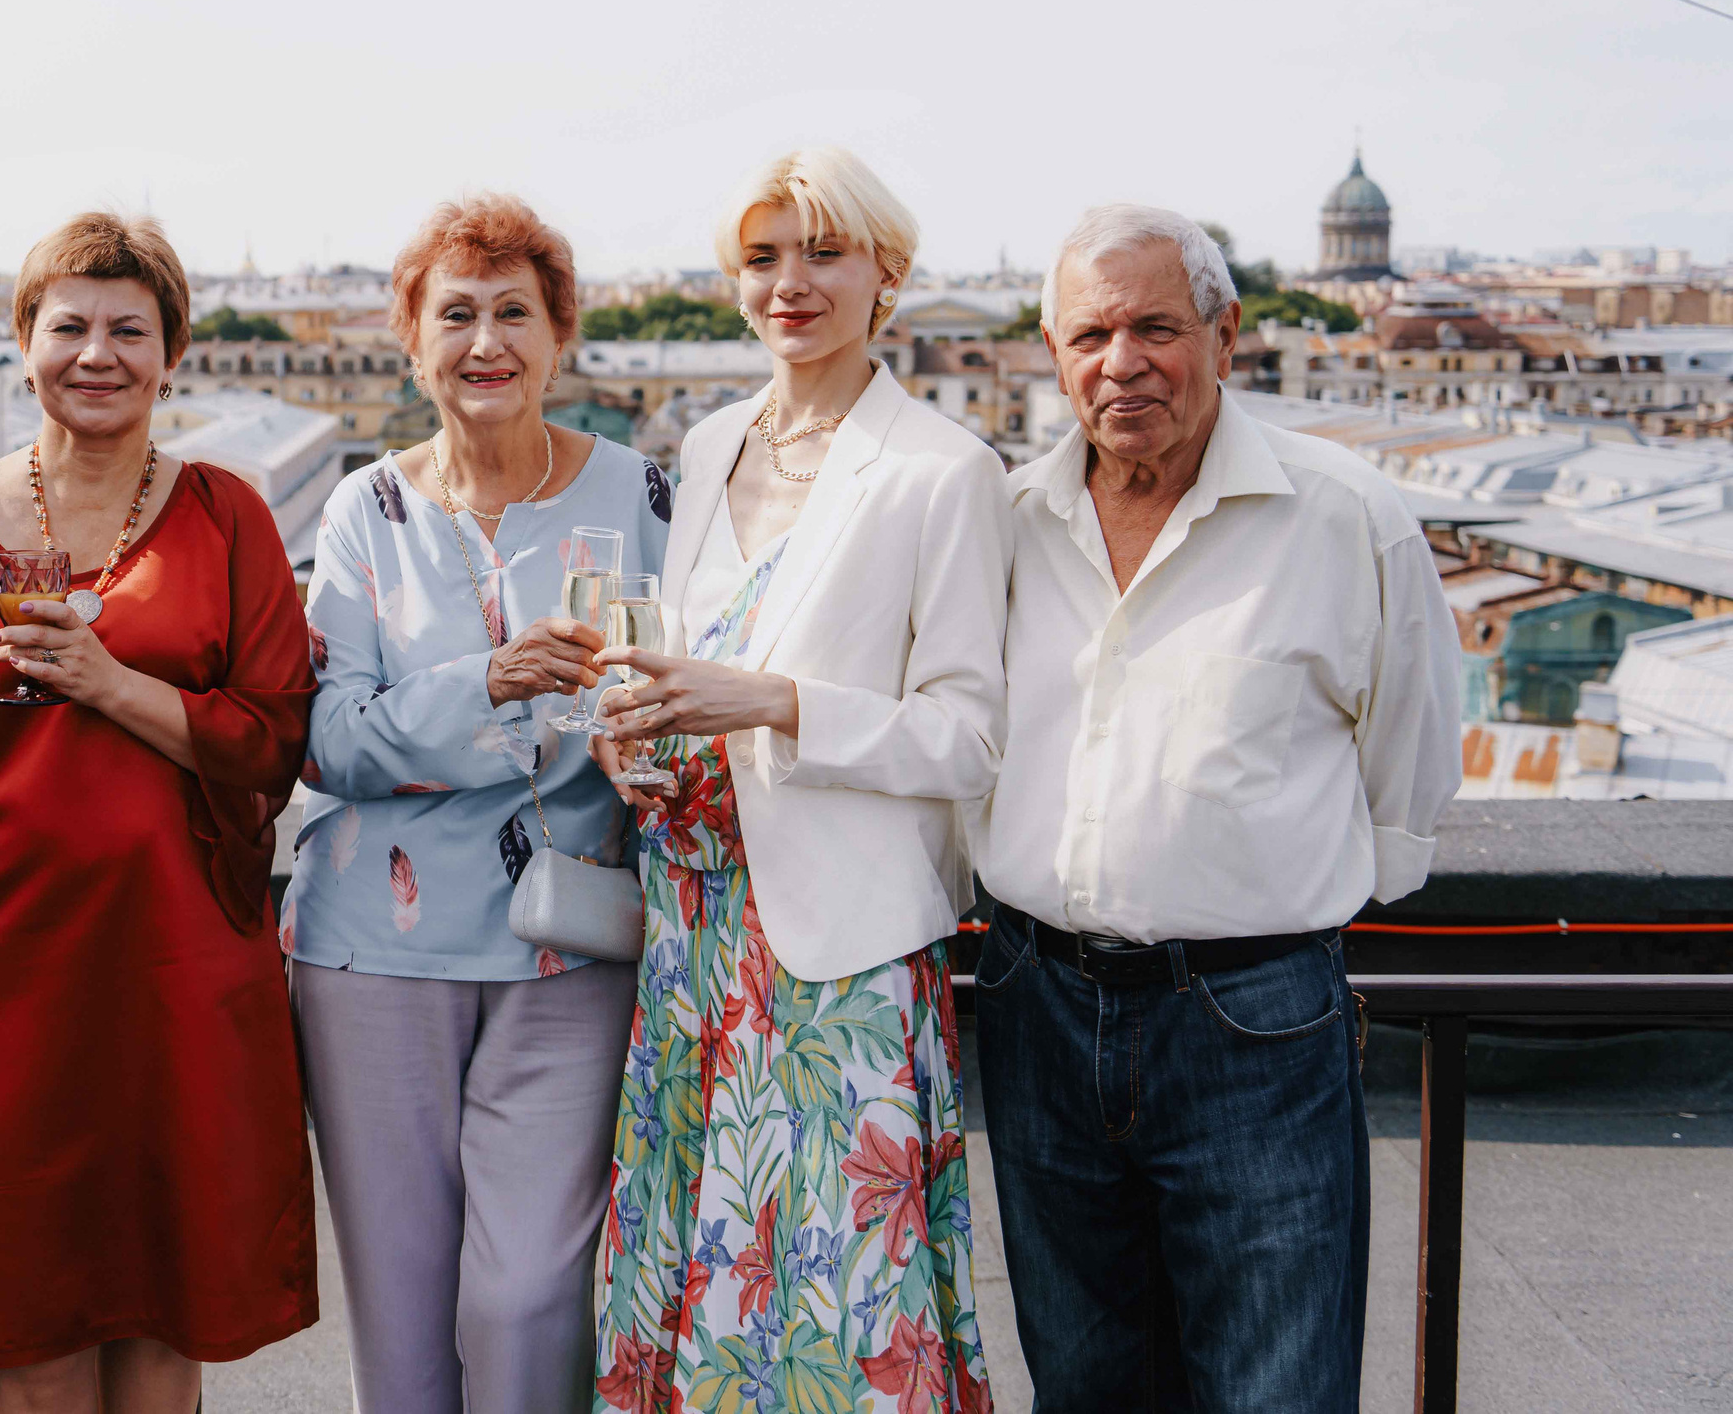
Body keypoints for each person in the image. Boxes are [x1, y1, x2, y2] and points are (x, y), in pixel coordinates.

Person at [975, 203, 1461, 1411]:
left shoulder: (1344, 516)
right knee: (1083, 1383)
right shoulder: (1001, 523)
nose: (1120, 362)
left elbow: (1409, 756)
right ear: (1050, 349)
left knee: (1275, 1386)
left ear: (1225, 333)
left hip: (1252, 1020)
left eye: (1154, 327)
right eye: (1089, 334)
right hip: (1035, 1007)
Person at [0, 211, 318, 1413]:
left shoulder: (229, 514)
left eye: (131, 328)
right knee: (31, 1322)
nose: (97, 354)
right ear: (24, 343)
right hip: (5, 973)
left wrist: (114, 686)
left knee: (167, 1322)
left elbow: (276, 737)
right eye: (69, 325)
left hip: (181, 966)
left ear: (173, 353)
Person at [587, 147, 1005, 1413]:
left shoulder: (946, 469)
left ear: (888, 274)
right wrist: (635, 737)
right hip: (693, 933)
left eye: (823, 252)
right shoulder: (710, 445)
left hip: (837, 954)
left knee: (837, 1305)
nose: (791, 283)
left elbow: (971, 742)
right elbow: (690, 661)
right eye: (763, 256)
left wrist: (772, 706)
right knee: (698, 1274)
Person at [286, 193, 671, 1414]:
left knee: (526, 1302)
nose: (486, 341)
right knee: (400, 1321)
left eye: (516, 312)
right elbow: (330, 742)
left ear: (561, 338)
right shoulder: (363, 509)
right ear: (413, 340)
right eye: (455, 314)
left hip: (573, 947)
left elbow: (681, 689)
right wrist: (487, 685)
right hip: (371, 961)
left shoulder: (650, 500)